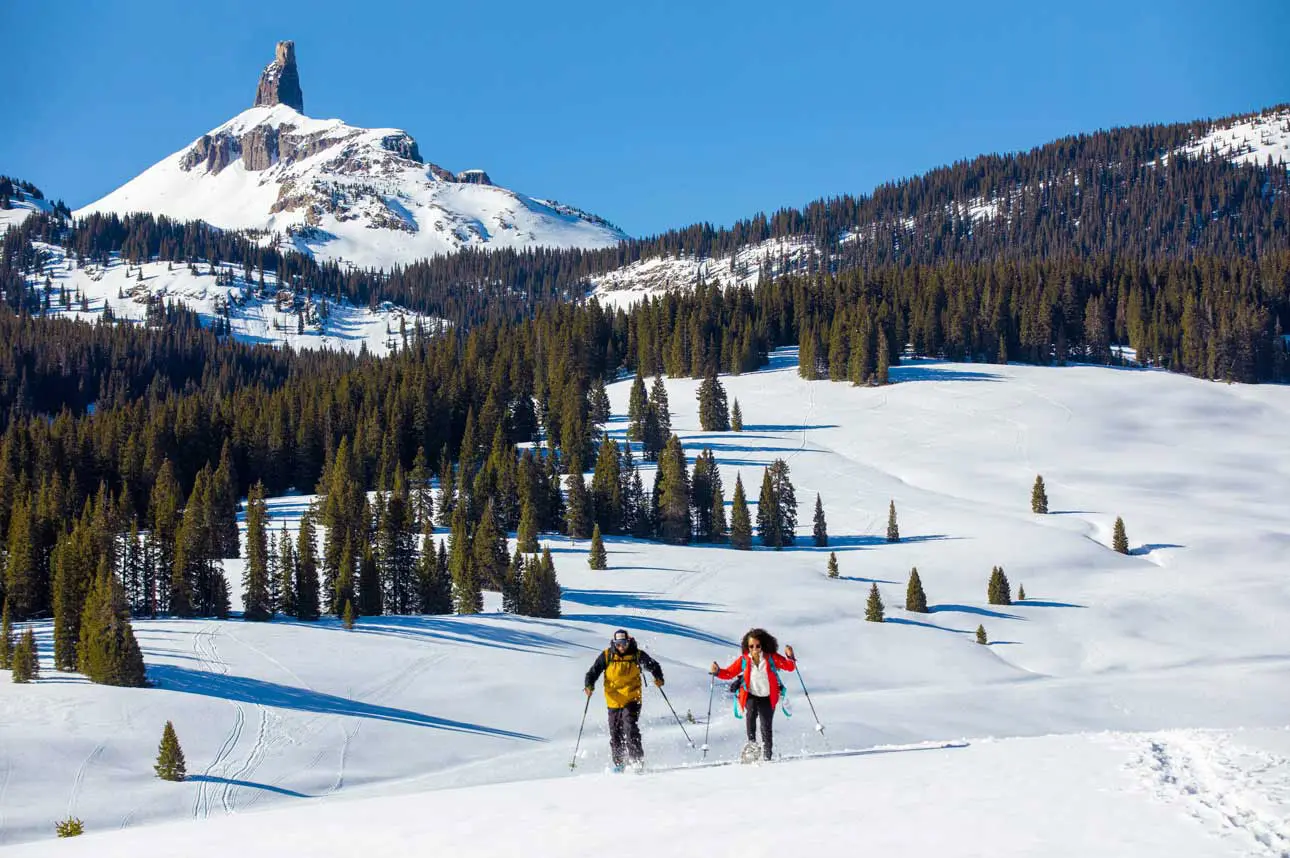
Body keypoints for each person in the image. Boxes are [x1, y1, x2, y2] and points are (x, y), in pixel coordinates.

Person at [584, 628, 665, 770]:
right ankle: (620, 764)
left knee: (629, 726)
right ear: (614, 643)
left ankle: (637, 760)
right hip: (613, 700)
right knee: (615, 732)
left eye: (624, 643)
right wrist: (589, 685)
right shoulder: (607, 655)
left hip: (632, 698)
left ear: (629, 642)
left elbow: (654, 665)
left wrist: (658, 677)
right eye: (619, 644)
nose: (622, 647)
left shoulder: (636, 654)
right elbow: (593, 672)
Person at [711, 628, 795, 761]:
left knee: (766, 726)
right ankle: (752, 746)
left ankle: (767, 756)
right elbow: (729, 673)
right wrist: (717, 672)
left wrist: (790, 657)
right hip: (751, 695)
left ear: (763, 645)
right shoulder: (744, 660)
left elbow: (789, 667)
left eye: (757, 645)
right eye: (751, 646)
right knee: (750, 716)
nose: (754, 649)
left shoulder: (771, 658)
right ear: (747, 647)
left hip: (768, 696)